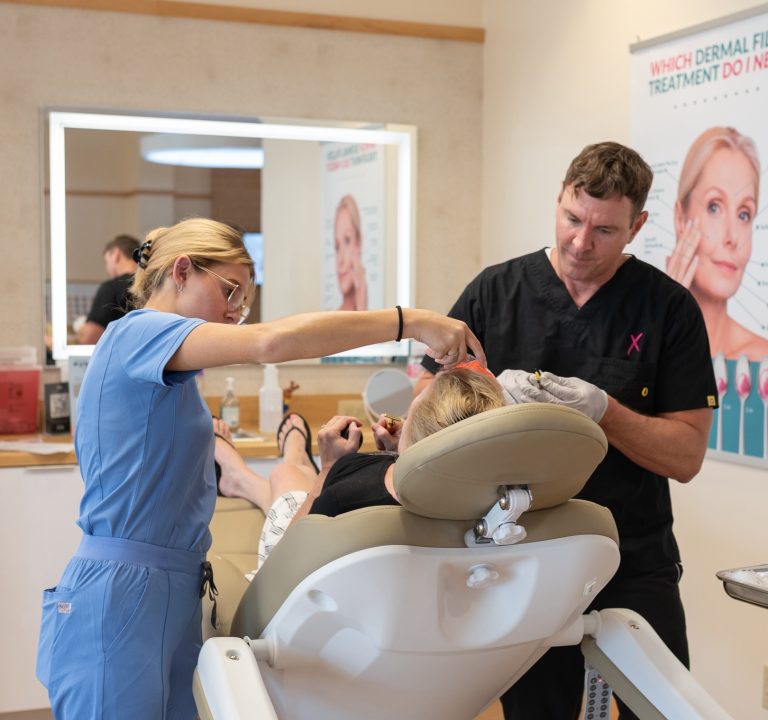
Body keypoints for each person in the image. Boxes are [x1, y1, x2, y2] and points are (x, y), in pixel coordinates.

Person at [35, 217, 484, 720]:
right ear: (182, 270)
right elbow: (271, 343)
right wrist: (411, 321)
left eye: (243, 303)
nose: (234, 315)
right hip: (120, 591)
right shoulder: (136, 334)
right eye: (229, 293)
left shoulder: (174, 375)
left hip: (175, 587)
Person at [417, 142, 718, 720]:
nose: (581, 243)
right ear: (558, 199)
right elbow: (425, 418)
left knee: (660, 708)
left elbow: (686, 455)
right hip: (524, 556)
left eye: (605, 230)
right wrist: (489, 402)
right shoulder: (494, 293)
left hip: (631, 554)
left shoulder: (669, 310)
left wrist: (605, 409)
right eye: (572, 219)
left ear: (638, 226)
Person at [212, 364, 505, 574]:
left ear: (416, 434)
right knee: (290, 476)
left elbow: (284, 561)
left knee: (284, 475)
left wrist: (328, 467)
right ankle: (258, 471)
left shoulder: (354, 483)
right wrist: (397, 454)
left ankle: (249, 471)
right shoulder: (499, 507)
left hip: (301, 585)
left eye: (411, 411)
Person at [666, 126, 768, 360]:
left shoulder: (762, 361)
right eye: (714, 207)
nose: (732, 237)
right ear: (680, 219)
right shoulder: (644, 341)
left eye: (744, 214)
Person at [77, 233, 140, 344]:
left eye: (106, 261)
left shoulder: (111, 288)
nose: (107, 269)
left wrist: (80, 329)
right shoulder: (151, 285)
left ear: (116, 254)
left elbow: (89, 338)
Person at [334, 194, 367, 310]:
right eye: (337, 247)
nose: (340, 260)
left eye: (347, 241)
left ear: (359, 243)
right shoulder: (330, 322)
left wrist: (362, 304)